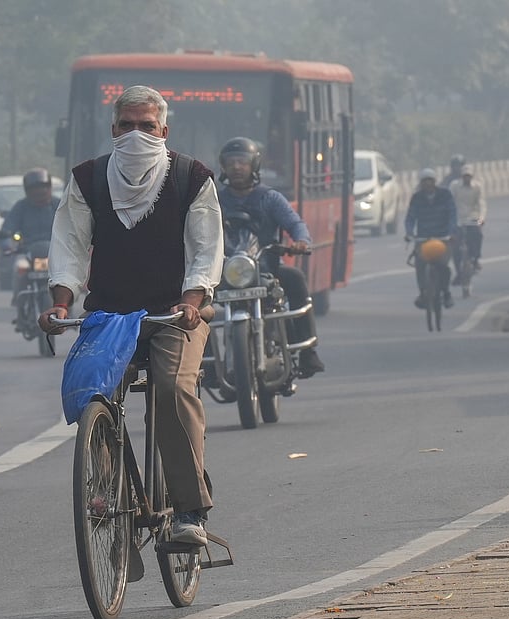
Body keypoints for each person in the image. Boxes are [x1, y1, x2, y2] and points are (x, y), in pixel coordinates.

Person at [37, 85, 223, 546]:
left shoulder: (191, 177)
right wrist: (61, 303)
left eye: (146, 126)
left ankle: (189, 511)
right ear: (112, 129)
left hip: (174, 315)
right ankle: (104, 485)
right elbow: (69, 246)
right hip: (109, 314)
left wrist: (192, 302)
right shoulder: (88, 179)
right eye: (127, 126)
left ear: (164, 130)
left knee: (172, 390)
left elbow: (206, 249)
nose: (136, 135)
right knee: (91, 390)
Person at [215, 136, 325, 378]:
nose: (236, 167)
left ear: (253, 165)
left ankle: (308, 352)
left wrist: (301, 241)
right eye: (231, 162)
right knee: (195, 299)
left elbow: (295, 223)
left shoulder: (270, 198)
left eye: (242, 161)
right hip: (224, 271)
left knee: (295, 279)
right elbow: (194, 227)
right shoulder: (214, 199)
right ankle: (206, 362)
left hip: (266, 267)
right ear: (223, 166)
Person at [0, 168, 60, 303]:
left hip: (55, 253)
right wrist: (7, 243)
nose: (40, 192)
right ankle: (19, 299)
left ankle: (67, 309)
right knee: (19, 269)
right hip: (27, 253)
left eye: (43, 187)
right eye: (35, 189)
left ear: (49, 188)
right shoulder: (20, 207)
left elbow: (72, 226)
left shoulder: (59, 205)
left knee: (66, 279)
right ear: (28, 191)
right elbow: (7, 229)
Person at [404, 168, 458, 309]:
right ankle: (423, 293)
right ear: (421, 184)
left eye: (430, 181)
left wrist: (452, 232)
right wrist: (409, 233)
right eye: (424, 182)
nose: (427, 184)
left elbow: (452, 214)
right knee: (420, 265)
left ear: (434, 182)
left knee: (444, 266)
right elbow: (410, 217)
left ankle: (446, 293)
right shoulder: (417, 198)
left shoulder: (445, 195)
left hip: (443, 238)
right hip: (423, 238)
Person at [449, 164, 487, 281]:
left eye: (469, 176)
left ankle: (475, 259)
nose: (467, 178)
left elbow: (481, 204)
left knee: (478, 235)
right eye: (465, 176)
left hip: (472, 218)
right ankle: (458, 272)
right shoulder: (454, 186)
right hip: (458, 218)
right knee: (455, 246)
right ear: (462, 176)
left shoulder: (477, 187)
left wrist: (481, 219)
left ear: (472, 177)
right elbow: (450, 203)